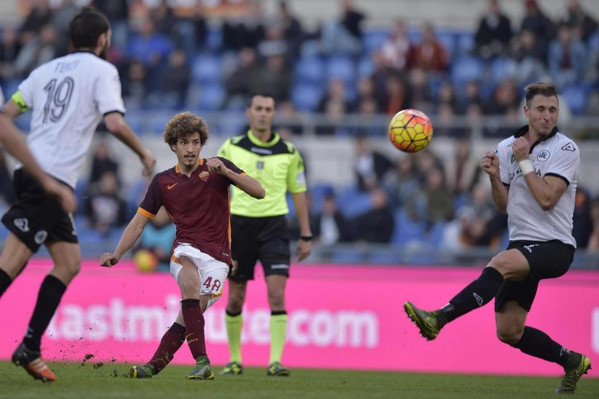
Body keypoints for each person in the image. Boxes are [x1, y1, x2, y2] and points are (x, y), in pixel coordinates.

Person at [403, 82, 591, 394]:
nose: (547, 116)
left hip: (555, 246)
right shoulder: (508, 147)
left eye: (553, 110)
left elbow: (546, 199)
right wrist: (493, 177)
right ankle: (571, 361)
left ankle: (439, 318)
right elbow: (504, 205)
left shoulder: (566, 149)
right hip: (521, 245)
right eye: (541, 109)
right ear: (526, 111)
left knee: (499, 262)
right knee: (509, 332)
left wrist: (525, 161)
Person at [0, 8, 156, 383]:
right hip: (48, 179)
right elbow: (114, 122)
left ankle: (29, 347)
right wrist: (144, 153)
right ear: (103, 39)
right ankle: (30, 347)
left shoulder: (43, 72)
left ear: (70, 39)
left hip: (32, 173)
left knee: (68, 262)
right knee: (9, 264)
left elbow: (8, 112)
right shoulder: (103, 70)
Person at [100, 112, 265, 380]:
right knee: (189, 279)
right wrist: (118, 254)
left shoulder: (218, 167)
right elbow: (138, 223)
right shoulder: (163, 182)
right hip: (185, 249)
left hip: (219, 258)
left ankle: (152, 366)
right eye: (184, 142)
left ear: (201, 144)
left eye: (196, 142)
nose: (190, 148)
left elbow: (259, 191)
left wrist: (226, 171)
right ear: (173, 146)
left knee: (188, 315)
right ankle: (203, 360)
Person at [217, 92, 312, 376]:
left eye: (268, 109)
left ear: (274, 114)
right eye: (258, 108)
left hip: (274, 227)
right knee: (235, 297)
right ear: (249, 112)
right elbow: (216, 189)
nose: (262, 113)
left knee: (276, 295)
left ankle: (275, 361)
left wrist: (306, 235)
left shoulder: (290, 152)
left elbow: (299, 193)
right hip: (239, 227)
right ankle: (234, 360)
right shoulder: (231, 147)